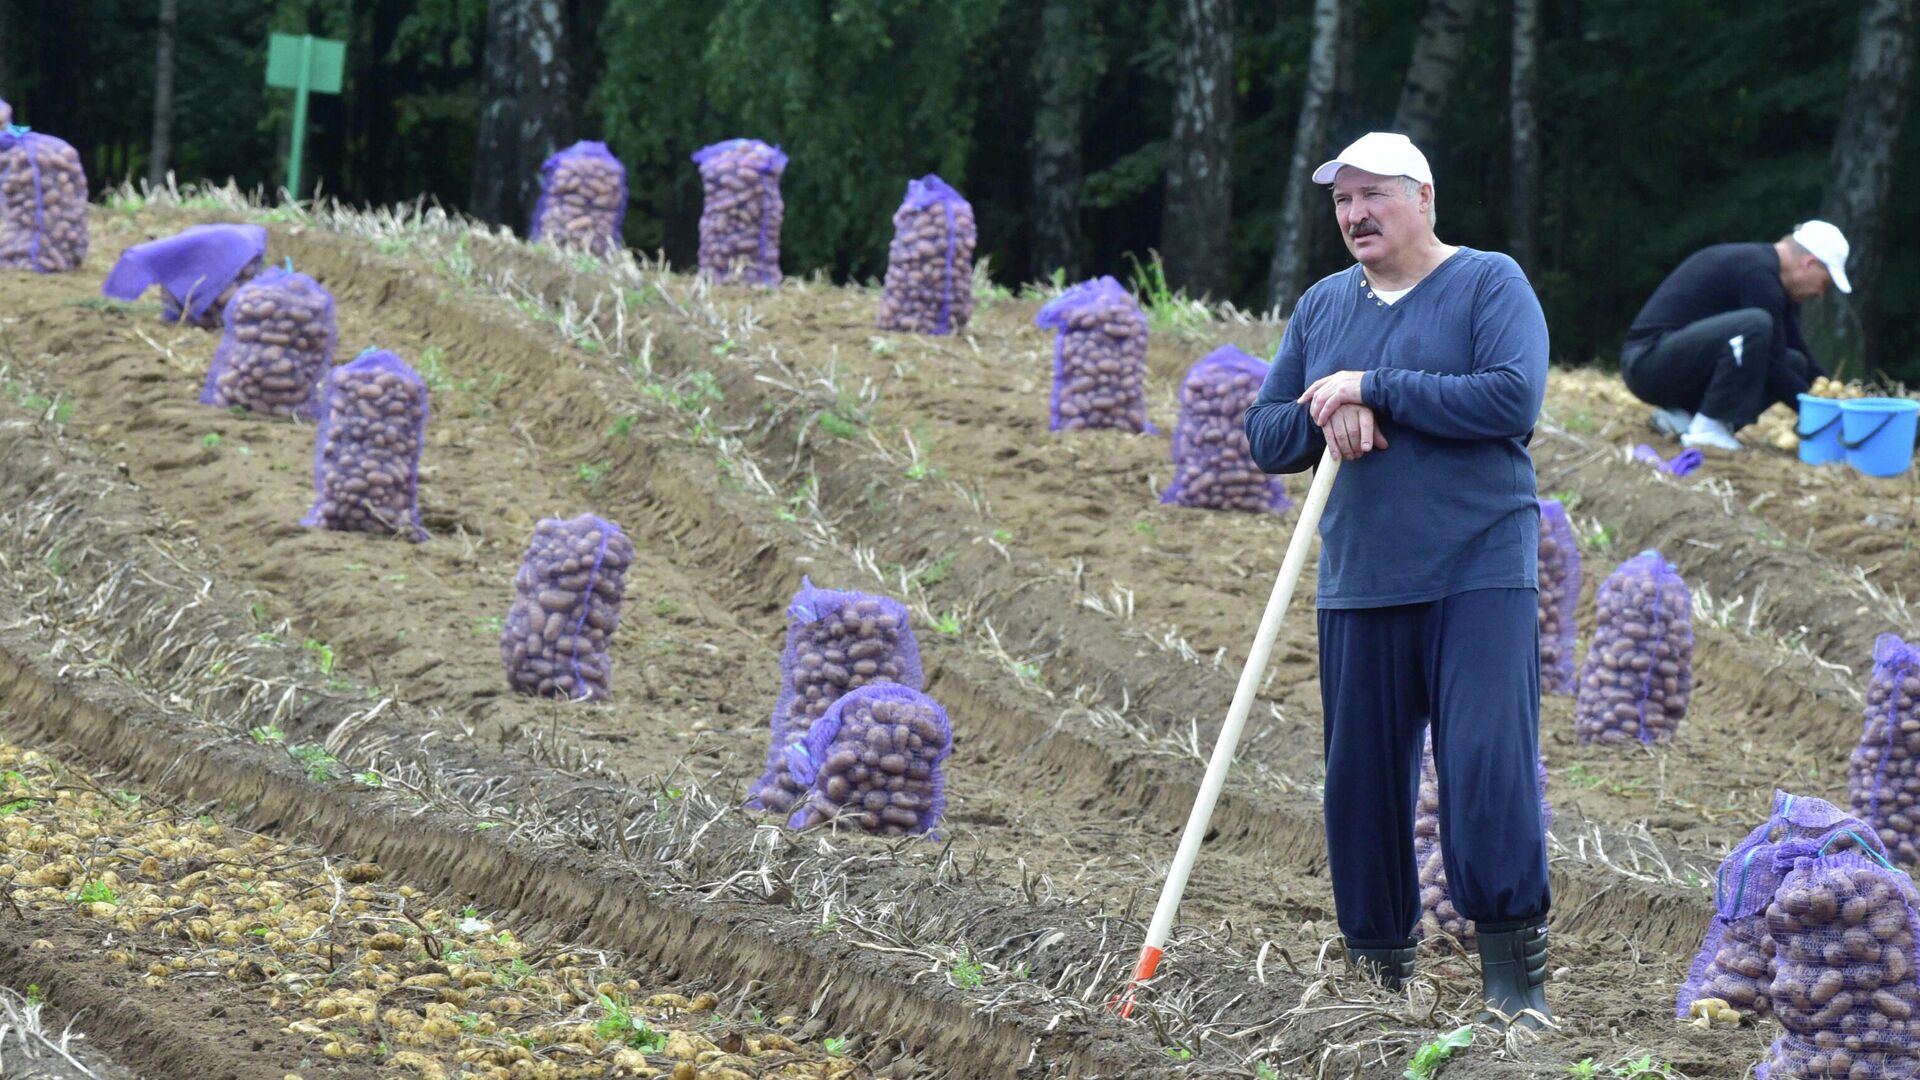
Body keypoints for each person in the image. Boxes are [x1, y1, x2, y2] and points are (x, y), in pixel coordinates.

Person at [1243, 132, 1553, 1028]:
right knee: (1361, 783)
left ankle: (1515, 983)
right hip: (1361, 576)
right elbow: (1268, 435)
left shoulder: (1489, 283)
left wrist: (1375, 385)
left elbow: (1510, 397)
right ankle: (1378, 977)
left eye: (1373, 195)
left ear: (1423, 196)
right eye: (1342, 201)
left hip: (1478, 566)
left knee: (1484, 764)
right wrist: (1328, 406)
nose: (1354, 214)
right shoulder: (1323, 305)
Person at [1620, 221, 1851, 451]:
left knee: (1795, 363)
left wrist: (1833, 394)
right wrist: (1815, 411)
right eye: (1824, 283)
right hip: (1646, 363)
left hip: (1678, 366)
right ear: (1808, 263)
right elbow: (1772, 362)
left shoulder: (1770, 278)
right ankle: (1707, 429)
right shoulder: (1757, 275)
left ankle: (1687, 420)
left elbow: (1795, 349)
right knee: (1754, 324)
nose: (1820, 294)